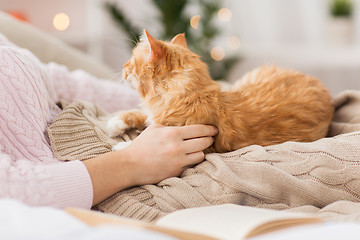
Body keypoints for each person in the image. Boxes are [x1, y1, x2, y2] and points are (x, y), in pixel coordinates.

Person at [0, 33, 218, 209]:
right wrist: (133, 163)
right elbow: (11, 189)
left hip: (130, 143)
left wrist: (176, 98)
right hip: (105, 177)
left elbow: (57, 81)